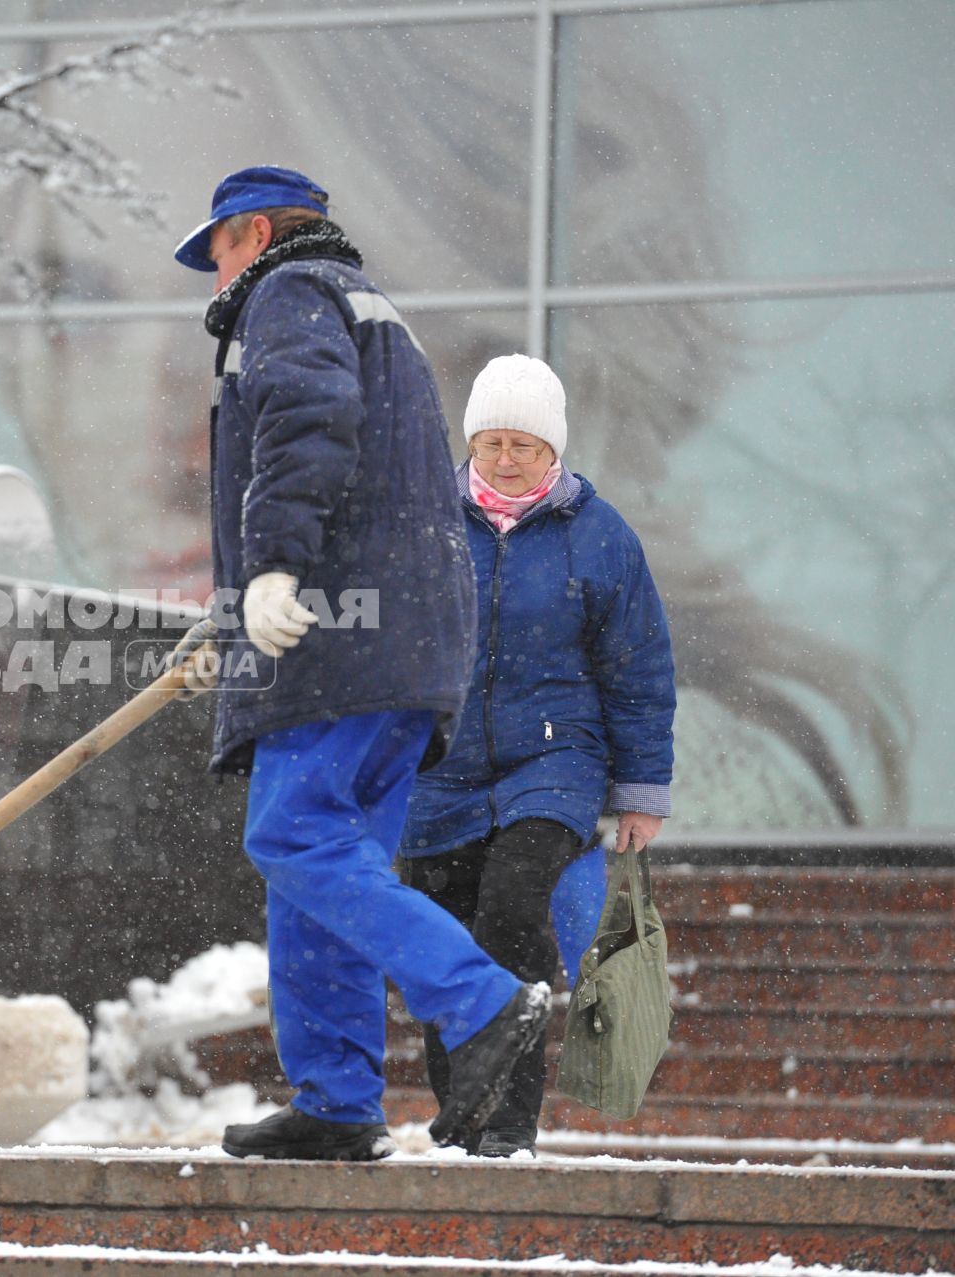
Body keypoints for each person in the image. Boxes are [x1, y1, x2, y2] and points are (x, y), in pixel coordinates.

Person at [169, 166, 552, 1161]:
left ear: (253, 232)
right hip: (402, 639)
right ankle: (337, 1100)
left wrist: (276, 566)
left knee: (296, 838)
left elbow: (306, 424)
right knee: (322, 870)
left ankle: (481, 998)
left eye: (215, 247)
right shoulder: (371, 309)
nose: (212, 271)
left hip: (337, 638)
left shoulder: (289, 294)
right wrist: (240, 607)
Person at [399, 353, 676, 1158]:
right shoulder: (425, 522)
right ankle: (461, 1113)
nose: (508, 459)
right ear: (471, 443)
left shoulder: (598, 534)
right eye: (492, 442)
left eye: (526, 443)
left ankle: (511, 1119)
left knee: (512, 910)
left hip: (555, 759)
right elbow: (387, 641)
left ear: (554, 449)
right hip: (440, 764)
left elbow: (639, 666)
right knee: (440, 943)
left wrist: (641, 788)